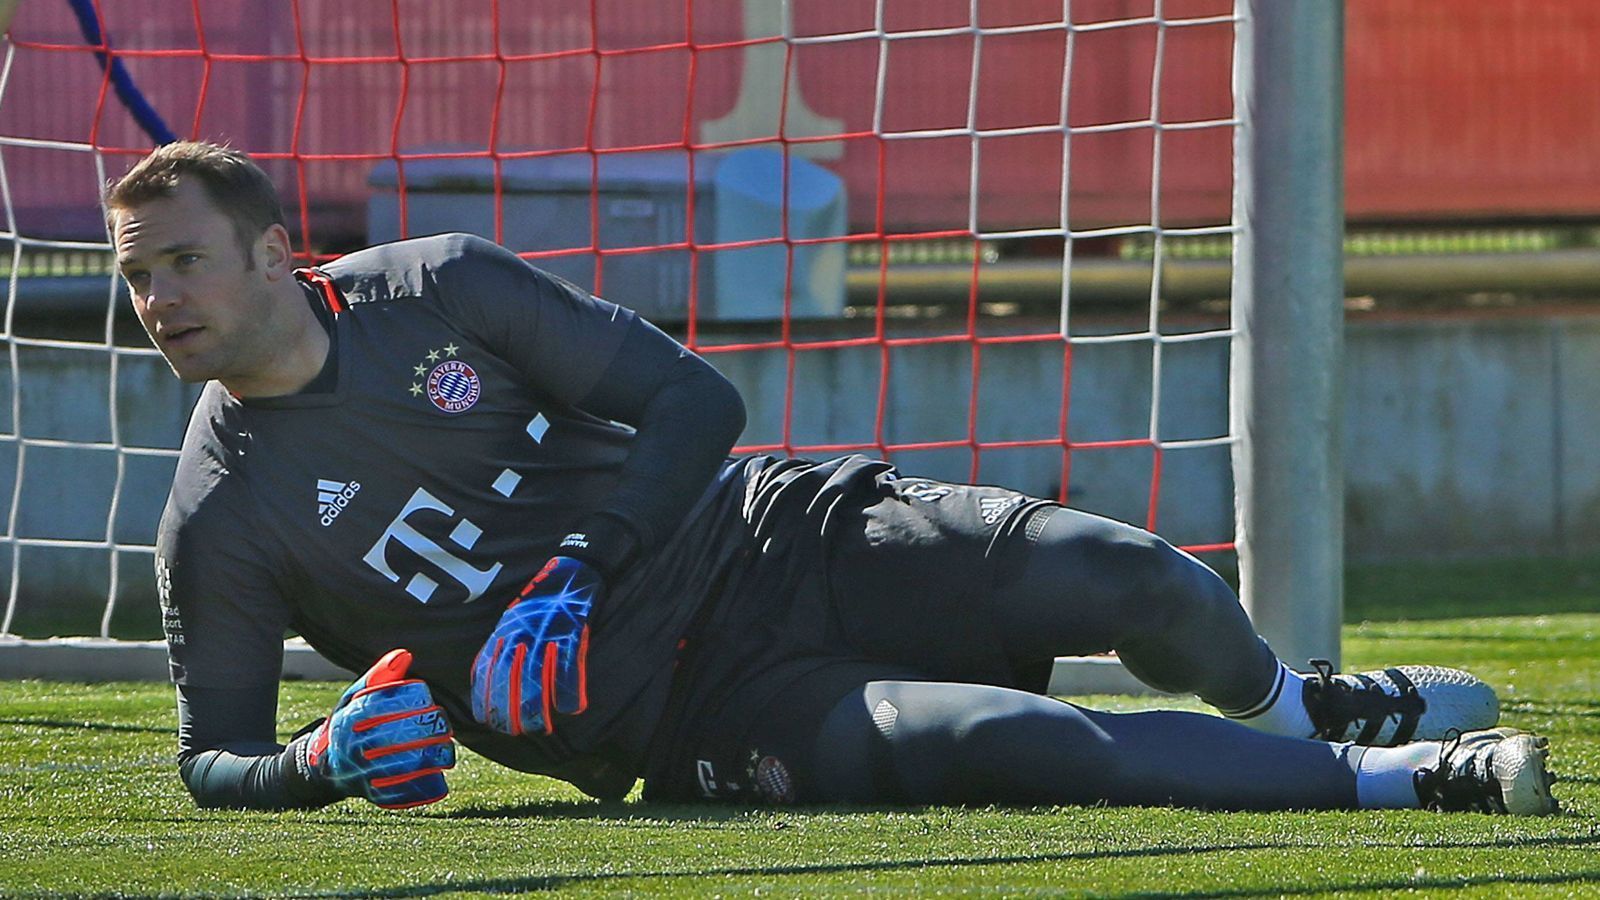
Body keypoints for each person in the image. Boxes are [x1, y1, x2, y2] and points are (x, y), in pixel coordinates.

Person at [109, 141, 1559, 817]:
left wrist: (585, 560)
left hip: (775, 534)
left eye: (181, 263)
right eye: (133, 279)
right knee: (1020, 742)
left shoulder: (439, 286)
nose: (156, 302)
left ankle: (1292, 700)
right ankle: (1400, 780)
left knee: (1136, 577)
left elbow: (696, 397)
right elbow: (208, 761)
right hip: (693, 715)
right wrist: (310, 767)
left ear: (267, 246)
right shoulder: (218, 520)